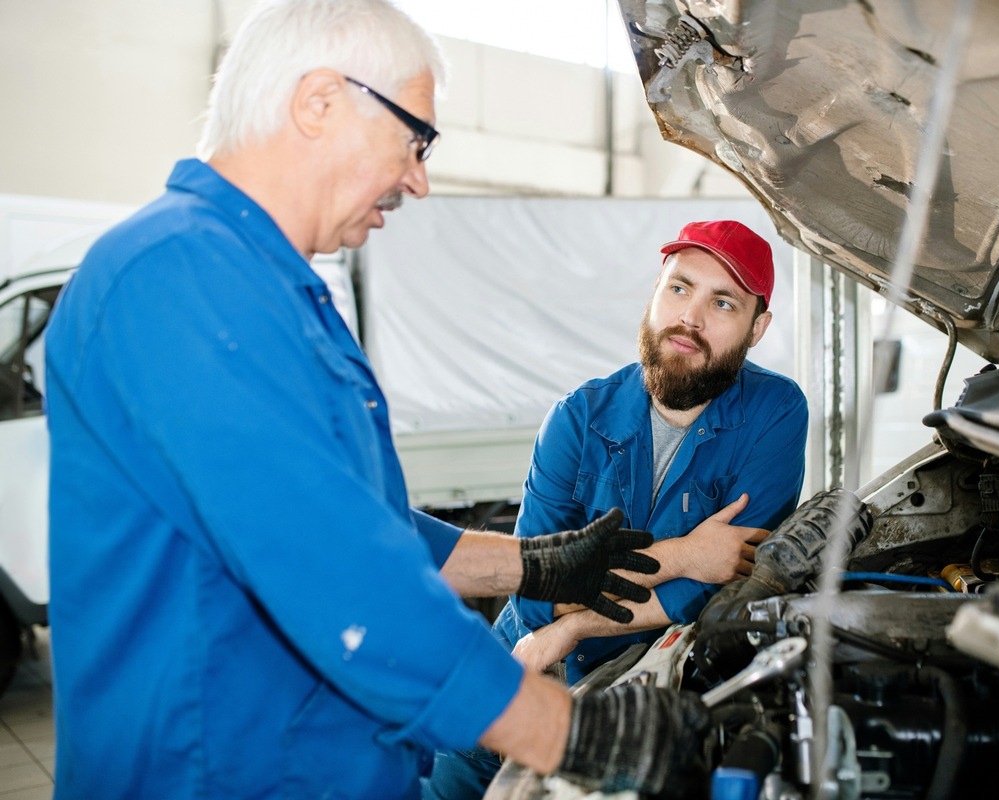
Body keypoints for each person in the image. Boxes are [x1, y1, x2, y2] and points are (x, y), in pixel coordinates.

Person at [43, 1, 709, 797]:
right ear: (320, 101)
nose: (418, 180)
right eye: (415, 139)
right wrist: (575, 731)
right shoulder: (181, 276)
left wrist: (535, 565)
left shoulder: (266, 288)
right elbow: (333, 564)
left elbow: (360, 521)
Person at [424, 219, 809, 800]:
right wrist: (686, 555)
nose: (690, 317)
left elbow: (726, 585)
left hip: (649, 669)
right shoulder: (576, 417)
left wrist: (577, 622)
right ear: (654, 293)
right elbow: (534, 590)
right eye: (679, 287)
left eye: (723, 301)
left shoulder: (776, 413)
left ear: (759, 328)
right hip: (524, 653)